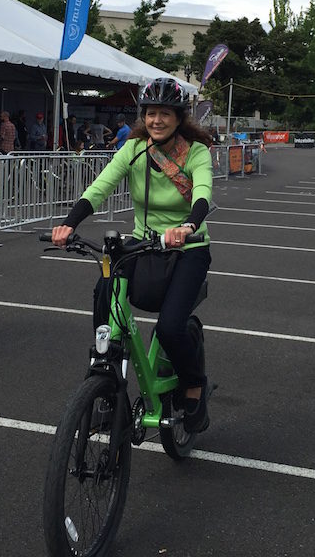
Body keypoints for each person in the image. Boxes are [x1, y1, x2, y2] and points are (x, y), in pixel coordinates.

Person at [52, 77, 215, 432]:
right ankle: (104, 366)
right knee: (103, 292)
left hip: (188, 247)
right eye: (151, 113)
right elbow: (100, 187)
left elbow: (202, 193)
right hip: (142, 244)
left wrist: (187, 227)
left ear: (179, 117)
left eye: (165, 114)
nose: (157, 120)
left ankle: (193, 385)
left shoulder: (196, 152)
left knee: (171, 329)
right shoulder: (134, 148)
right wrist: (68, 224)